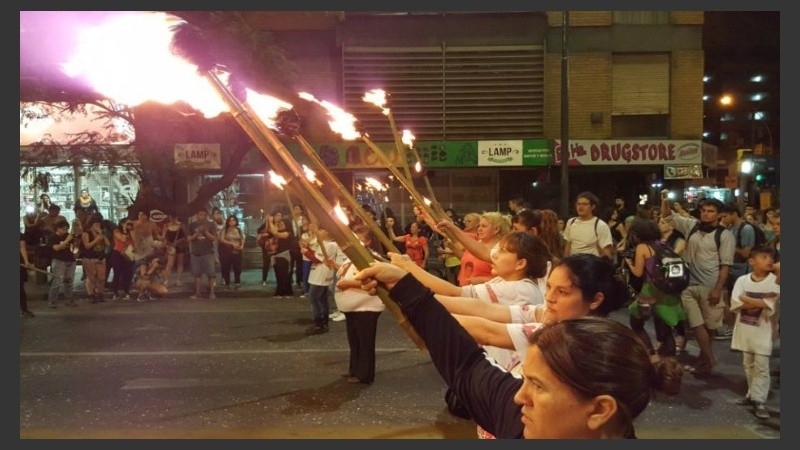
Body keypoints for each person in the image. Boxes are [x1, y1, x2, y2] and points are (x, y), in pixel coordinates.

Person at [354, 261, 673, 439]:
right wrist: (405, 289)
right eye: (527, 380)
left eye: (537, 385)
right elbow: (466, 365)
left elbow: (485, 328)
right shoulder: (521, 417)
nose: (519, 396)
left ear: (600, 410)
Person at [661, 193, 735, 376]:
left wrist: (718, 289)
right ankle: (710, 359)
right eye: (703, 211)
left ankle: (704, 362)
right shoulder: (692, 226)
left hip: (710, 286)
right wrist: (664, 199)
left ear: (720, 215)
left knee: (709, 328)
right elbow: (668, 216)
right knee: (696, 325)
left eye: (711, 211)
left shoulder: (725, 236)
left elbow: (725, 265)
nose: (706, 214)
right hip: (689, 284)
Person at [623, 218, 686, 359]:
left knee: (636, 323)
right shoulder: (663, 243)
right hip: (667, 290)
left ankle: (651, 355)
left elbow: (638, 273)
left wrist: (629, 263)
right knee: (665, 330)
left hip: (650, 291)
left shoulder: (642, 247)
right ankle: (670, 365)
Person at [730, 245, 780, 420]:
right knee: (748, 364)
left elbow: (769, 304)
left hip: (764, 331)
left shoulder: (775, 280)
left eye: (771, 258)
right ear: (752, 261)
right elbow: (735, 303)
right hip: (746, 329)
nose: (770, 260)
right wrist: (759, 301)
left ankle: (760, 400)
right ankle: (751, 394)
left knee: (762, 366)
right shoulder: (742, 280)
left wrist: (746, 299)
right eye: (764, 257)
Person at [333, 225, 386, 384]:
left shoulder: (371, 258)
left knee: (365, 342)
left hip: (366, 307)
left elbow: (376, 282)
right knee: (354, 340)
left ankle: (365, 374)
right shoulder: (353, 257)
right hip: (352, 308)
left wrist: (349, 283)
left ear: (368, 241)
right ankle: (355, 369)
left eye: (358, 238)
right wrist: (334, 266)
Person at [303, 226, 347, 335]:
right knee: (322, 299)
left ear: (327, 232)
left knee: (314, 299)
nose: (317, 232)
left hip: (321, 275)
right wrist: (307, 249)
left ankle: (319, 324)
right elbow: (316, 255)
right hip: (318, 273)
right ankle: (323, 323)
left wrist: (305, 252)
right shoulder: (323, 244)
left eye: (321, 230)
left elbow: (317, 259)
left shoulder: (331, 245)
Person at [563, 191, 614, 260]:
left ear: (592, 207)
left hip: (591, 266)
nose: (580, 207)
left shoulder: (600, 225)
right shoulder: (571, 222)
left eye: (584, 204)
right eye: (578, 204)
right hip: (573, 265)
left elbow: (606, 252)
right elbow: (568, 246)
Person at [187, 208, 218, 299]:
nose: (202, 217)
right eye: (201, 215)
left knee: (211, 274)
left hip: (208, 252)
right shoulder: (192, 225)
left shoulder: (211, 224)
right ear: (197, 215)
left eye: (204, 215)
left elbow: (213, 238)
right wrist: (197, 233)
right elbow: (189, 239)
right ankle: (197, 294)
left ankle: (212, 293)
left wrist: (205, 232)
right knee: (197, 274)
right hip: (196, 253)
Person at [80, 214, 111, 303]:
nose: (98, 226)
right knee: (91, 277)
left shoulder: (100, 233)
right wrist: (96, 240)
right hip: (89, 258)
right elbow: (87, 246)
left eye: (99, 225)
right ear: (91, 225)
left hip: (100, 257)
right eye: (96, 225)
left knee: (101, 277)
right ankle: (91, 295)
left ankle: (99, 293)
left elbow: (108, 244)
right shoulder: (86, 234)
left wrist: (102, 235)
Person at [46, 220, 78, 308]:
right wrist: (67, 240)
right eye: (63, 229)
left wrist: (74, 243)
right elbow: (56, 248)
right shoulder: (52, 237)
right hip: (59, 260)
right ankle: (52, 300)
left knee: (69, 281)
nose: (65, 231)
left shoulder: (69, 236)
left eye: (66, 229)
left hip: (70, 260)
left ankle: (69, 299)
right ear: (58, 228)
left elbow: (75, 248)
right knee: (57, 281)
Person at [218, 215, 246, 291]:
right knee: (226, 268)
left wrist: (242, 245)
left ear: (236, 221)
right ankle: (227, 284)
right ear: (228, 222)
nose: (232, 222)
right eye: (230, 220)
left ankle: (237, 283)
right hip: (227, 252)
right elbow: (221, 239)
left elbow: (243, 238)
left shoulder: (239, 230)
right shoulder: (225, 230)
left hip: (237, 252)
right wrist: (231, 244)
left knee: (237, 268)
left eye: (233, 220)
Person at [20, 233, 35, 318]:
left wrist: (26, 262)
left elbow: (22, 248)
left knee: (19, 287)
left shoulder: (20, 235)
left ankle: (24, 310)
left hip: (20, 263)